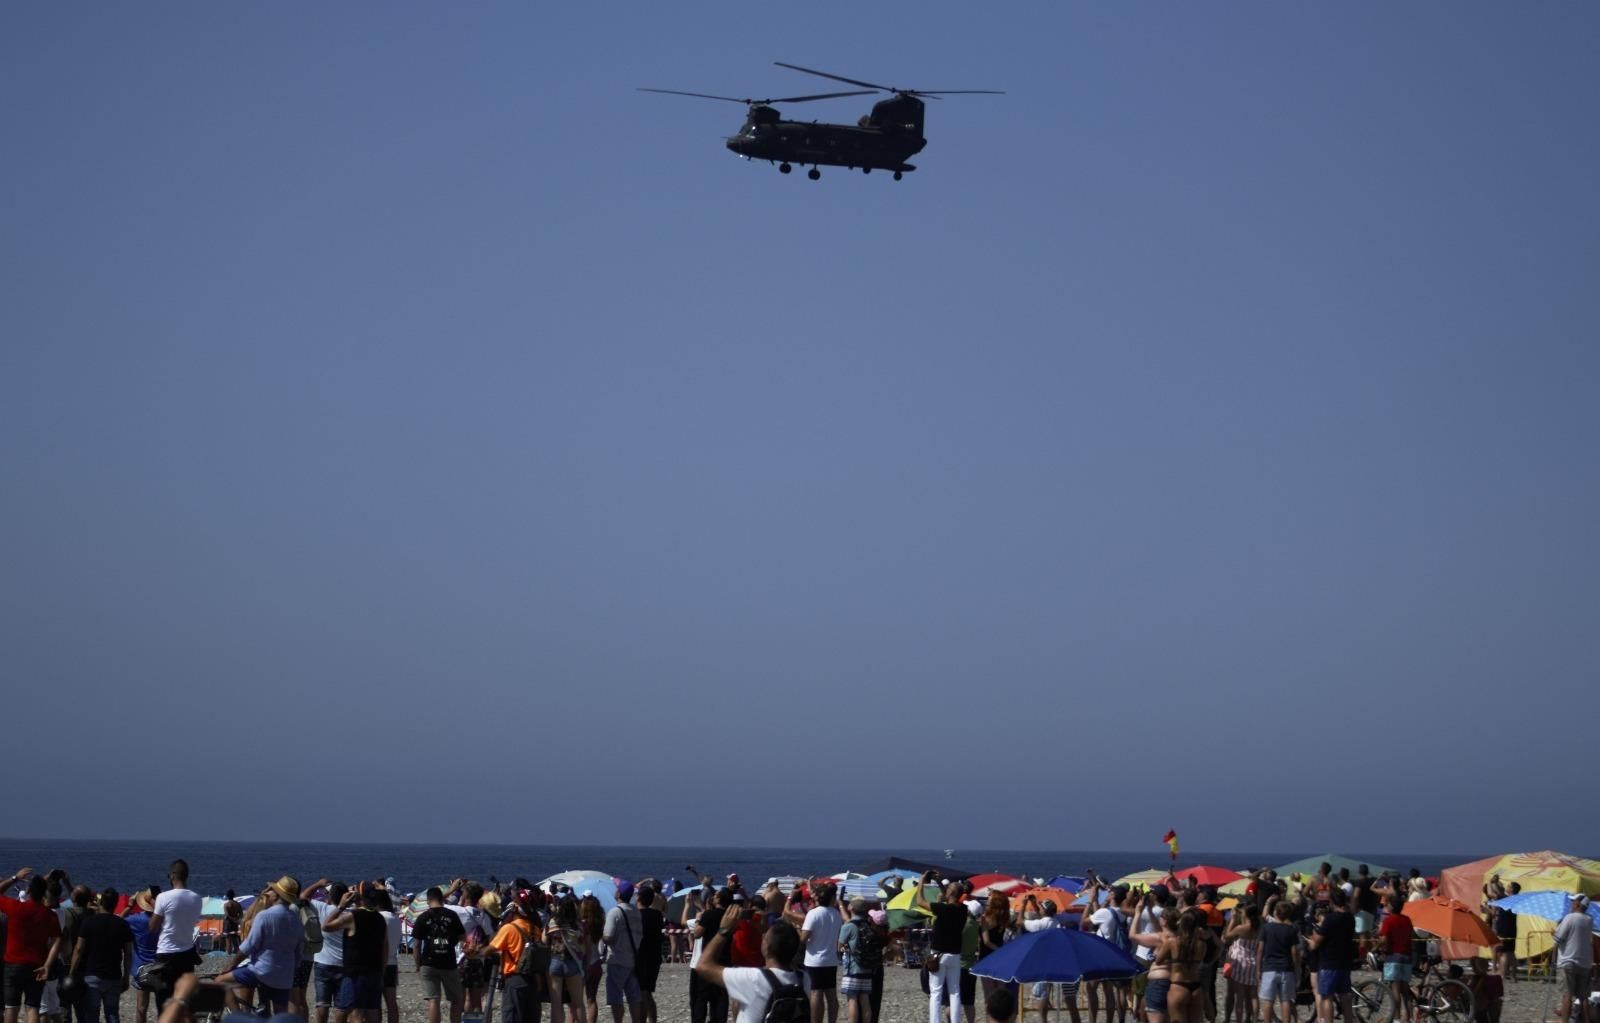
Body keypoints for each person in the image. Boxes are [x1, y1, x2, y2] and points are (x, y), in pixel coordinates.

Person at [692, 914, 809, 1023]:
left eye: (765, 938)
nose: (762, 937)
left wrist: (723, 931)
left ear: (767, 948)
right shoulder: (804, 979)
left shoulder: (755, 979)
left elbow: (703, 966)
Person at [214, 877, 302, 1016]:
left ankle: (239, 1017)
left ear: (276, 895)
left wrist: (230, 966)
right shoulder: (295, 919)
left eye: (273, 890)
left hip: (261, 971)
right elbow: (298, 952)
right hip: (284, 975)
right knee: (279, 1013)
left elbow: (248, 946)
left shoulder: (265, 916)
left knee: (220, 982)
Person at [2, 869, 64, 1023]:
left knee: (11, 1007)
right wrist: (48, 965)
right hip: (37, 964)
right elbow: (57, 940)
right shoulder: (49, 914)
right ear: (44, 893)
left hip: (13, 963)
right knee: (33, 1007)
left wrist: (15, 878)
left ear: (28, 890)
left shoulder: (16, 908)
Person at [324, 885, 387, 1023]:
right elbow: (384, 948)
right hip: (375, 971)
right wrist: (382, 971)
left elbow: (326, 926)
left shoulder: (352, 916)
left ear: (358, 897)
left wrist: (341, 906)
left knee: (355, 1013)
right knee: (372, 1013)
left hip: (355, 973)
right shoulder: (380, 918)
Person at [67, 889, 132, 1023]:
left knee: (92, 1014)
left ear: (101, 902)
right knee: (112, 1013)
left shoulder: (89, 922)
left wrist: (72, 972)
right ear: (115, 904)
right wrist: (126, 977)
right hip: (114, 975)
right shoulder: (123, 924)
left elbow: (79, 949)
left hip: (92, 974)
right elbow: (128, 953)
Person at [912, 872, 968, 1023]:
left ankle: (935, 1021)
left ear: (951, 893)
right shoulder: (963, 910)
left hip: (938, 954)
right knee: (955, 991)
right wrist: (939, 883)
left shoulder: (943, 909)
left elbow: (920, 901)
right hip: (955, 954)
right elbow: (949, 897)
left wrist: (922, 881)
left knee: (936, 992)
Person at [144, 861, 202, 1008]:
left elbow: (152, 927)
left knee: (164, 1002)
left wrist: (156, 906)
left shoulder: (163, 897)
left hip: (166, 954)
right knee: (184, 1001)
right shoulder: (196, 898)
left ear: (172, 876)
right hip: (187, 954)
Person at [412, 887, 467, 1023]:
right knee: (456, 1000)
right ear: (442, 899)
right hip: (448, 962)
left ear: (428, 900)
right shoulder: (451, 915)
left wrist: (418, 965)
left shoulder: (422, 917)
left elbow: (416, 945)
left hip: (428, 962)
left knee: (433, 1000)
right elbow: (463, 937)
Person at [1305, 890, 1356, 1023]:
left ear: (1332, 902)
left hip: (1329, 961)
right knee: (1344, 995)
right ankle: (1349, 1020)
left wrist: (1311, 942)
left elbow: (1317, 942)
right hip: (1345, 961)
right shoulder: (1350, 918)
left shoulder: (1331, 919)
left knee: (1327, 997)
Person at [487, 900, 542, 1023]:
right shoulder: (535, 929)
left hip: (514, 978)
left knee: (511, 1015)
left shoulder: (509, 928)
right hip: (533, 979)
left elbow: (489, 949)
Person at [800, 883, 842, 1023]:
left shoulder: (813, 913)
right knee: (831, 994)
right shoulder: (836, 914)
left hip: (814, 960)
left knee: (816, 993)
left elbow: (804, 938)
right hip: (831, 958)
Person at [602, 882, 642, 1023]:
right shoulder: (636, 911)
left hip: (617, 959)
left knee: (615, 996)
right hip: (633, 958)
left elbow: (608, 937)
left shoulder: (615, 912)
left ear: (619, 894)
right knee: (633, 996)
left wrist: (600, 934)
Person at [545, 896, 590, 1023]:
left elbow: (544, 941)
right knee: (578, 1003)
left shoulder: (553, 922)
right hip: (573, 962)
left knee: (556, 1003)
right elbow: (585, 948)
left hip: (555, 961)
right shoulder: (579, 925)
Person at [838, 900, 881, 1023]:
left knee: (852, 999)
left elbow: (840, 947)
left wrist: (848, 949)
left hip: (853, 968)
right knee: (865, 999)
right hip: (867, 967)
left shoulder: (849, 926)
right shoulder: (868, 925)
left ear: (851, 908)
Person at [1255, 899, 1297, 1023]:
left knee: (1268, 1000)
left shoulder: (1266, 928)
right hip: (1286, 968)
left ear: (1276, 913)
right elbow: (1294, 952)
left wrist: (1258, 969)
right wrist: (1296, 967)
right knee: (1285, 1001)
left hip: (1269, 968)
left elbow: (1260, 950)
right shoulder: (1291, 930)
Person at [1552, 894, 1593, 1023]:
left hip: (1568, 960)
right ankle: (1587, 1020)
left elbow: (1559, 938)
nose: (1571, 903)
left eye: (1573, 901)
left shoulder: (1569, 918)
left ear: (1577, 904)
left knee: (1567, 995)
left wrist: (1554, 932)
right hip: (1585, 961)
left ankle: (1565, 1021)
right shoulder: (1589, 919)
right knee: (1583, 996)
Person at [1375, 893, 1414, 1023]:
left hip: (1393, 957)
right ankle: (1408, 1018)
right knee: (1405, 990)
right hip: (1407, 956)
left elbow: (1383, 939)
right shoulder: (1407, 920)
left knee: (1395, 990)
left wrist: (1375, 948)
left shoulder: (1389, 920)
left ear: (1391, 906)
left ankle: (1397, 1019)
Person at [121, 890, 158, 1023]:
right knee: (163, 1006)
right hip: (160, 967)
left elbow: (118, 921)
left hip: (140, 968)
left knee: (141, 1007)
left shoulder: (135, 920)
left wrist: (129, 906)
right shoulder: (163, 920)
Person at [1222, 904, 1260, 1023]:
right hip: (1253, 961)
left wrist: (1233, 919)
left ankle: (1239, 1019)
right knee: (1253, 995)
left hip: (1240, 962)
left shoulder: (1242, 928)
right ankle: (1251, 1018)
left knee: (1240, 995)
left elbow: (1227, 936)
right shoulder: (1259, 926)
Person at [634, 886, 664, 1023]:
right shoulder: (657, 915)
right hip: (654, 956)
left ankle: (648, 1019)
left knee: (643, 991)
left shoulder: (636, 915)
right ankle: (646, 1019)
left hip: (641, 956)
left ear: (639, 898)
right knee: (645, 991)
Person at [376, 891, 403, 1023]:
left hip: (377, 962)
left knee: (375, 1003)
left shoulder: (378, 917)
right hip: (392, 961)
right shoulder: (395, 917)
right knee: (391, 1002)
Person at [1488, 883, 1519, 983]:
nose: (1507, 887)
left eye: (1509, 886)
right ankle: (1513, 976)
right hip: (1512, 928)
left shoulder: (1506, 898)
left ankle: (1502, 974)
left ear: (1512, 889)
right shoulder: (1516, 899)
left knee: (1503, 953)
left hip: (1504, 928)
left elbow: (1491, 892)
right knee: (1511, 952)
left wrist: (1490, 882)